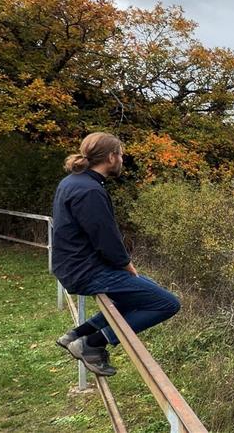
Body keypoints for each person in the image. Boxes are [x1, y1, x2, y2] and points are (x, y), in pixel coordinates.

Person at [51, 132, 180, 376]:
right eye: (121, 154)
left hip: (74, 265)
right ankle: (92, 343)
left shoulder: (73, 181)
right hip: (87, 270)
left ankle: (77, 334)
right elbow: (105, 237)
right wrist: (125, 264)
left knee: (143, 289)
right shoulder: (90, 190)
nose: (122, 159)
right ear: (111, 157)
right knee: (167, 303)